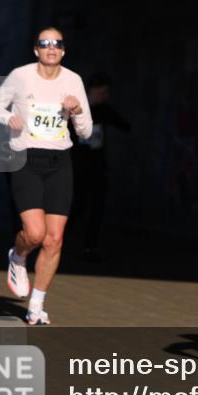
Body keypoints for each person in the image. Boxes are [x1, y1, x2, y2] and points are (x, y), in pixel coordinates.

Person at [0, 27, 92, 324]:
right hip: (25, 158)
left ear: (63, 50)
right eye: (45, 43)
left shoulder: (74, 81)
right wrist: (10, 117)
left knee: (54, 240)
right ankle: (17, 257)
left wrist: (77, 110)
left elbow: (85, 131)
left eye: (57, 44)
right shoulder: (20, 75)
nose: (51, 48)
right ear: (36, 49)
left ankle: (36, 305)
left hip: (60, 161)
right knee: (35, 234)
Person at [70, 71, 131, 261]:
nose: (106, 96)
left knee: (98, 207)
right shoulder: (75, 109)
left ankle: (89, 247)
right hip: (78, 168)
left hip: (98, 168)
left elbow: (124, 125)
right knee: (78, 207)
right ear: (92, 90)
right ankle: (58, 240)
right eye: (103, 92)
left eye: (107, 92)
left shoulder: (105, 111)